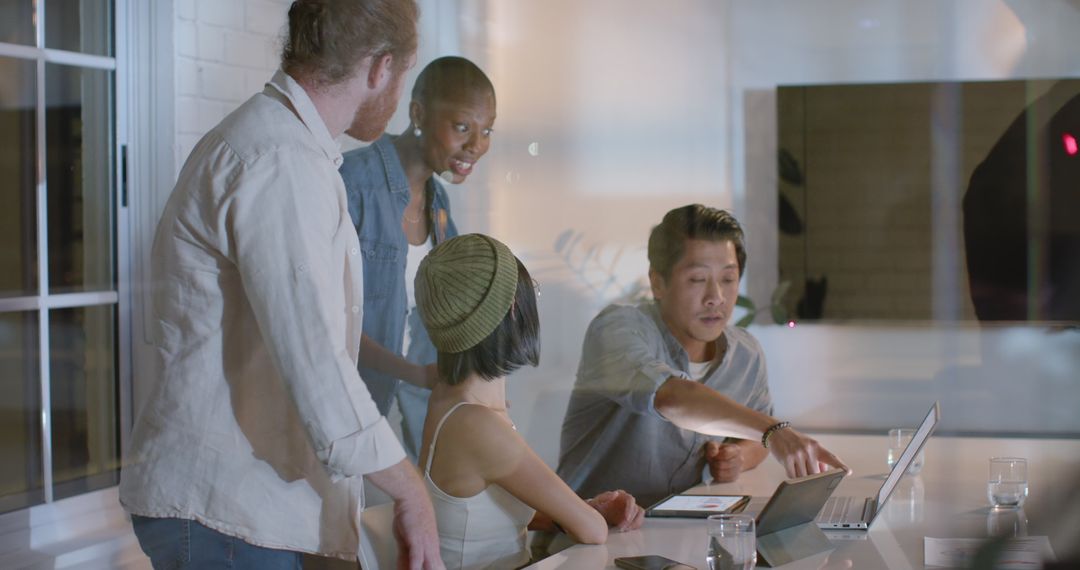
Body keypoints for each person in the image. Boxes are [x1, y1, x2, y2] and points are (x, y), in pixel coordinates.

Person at [119, 2, 444, 568]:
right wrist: (411, 490)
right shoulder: (278, 160)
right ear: (379, 69)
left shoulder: (282, 146)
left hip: (233, 505)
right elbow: (317, 360)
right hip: (219, 507)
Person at [557, 204, 850, 508]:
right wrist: (774, 432)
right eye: (698, 279)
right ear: (657, 282)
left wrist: (739, 457)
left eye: (728, 279)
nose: (716, 298)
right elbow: (670, 397)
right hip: (586, 537)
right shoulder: (618, 329)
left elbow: (754, 441)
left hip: (675, 530)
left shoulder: (745, 354)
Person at [414, 234, 646, 569]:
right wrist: (587, 512)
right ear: (511, 308)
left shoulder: (451, 399)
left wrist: (584, 508)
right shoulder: (476, 425)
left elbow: (486, 508)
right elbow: (592, 530)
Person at [339, 56, 496, 459]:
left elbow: (442, 320)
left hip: (408, 414)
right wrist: (416, 374)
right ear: (417, 113)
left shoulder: (437, 204)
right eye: (462, 126)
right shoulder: (352, 184)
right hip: (347, 417)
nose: (476, 145)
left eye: (486, 131)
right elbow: (324, 325)